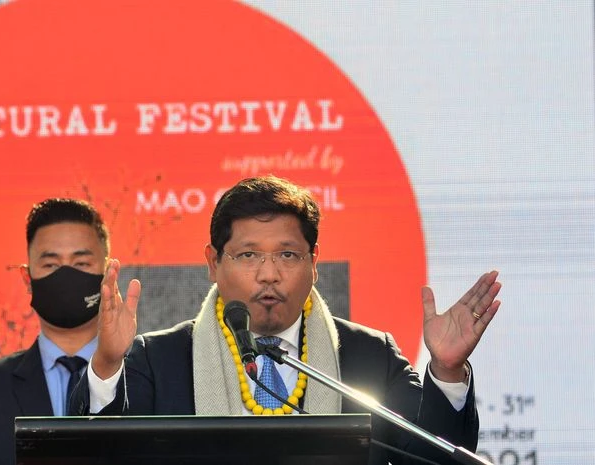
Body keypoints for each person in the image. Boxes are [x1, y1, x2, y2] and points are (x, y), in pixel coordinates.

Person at [72, 175, 501, 465]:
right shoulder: (155, 360)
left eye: (287, 255)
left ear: (314, 264)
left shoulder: (370, 356)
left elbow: (434, 457)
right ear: (212, 262)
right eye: (248, 255)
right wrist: (108, 365)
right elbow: (101, 455)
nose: (269, 274)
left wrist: (446, 371)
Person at [0, 198, 110, 465]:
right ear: (27, 279)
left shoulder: (147, 377)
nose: (65, 276)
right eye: (51, 265)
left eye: (81, 264)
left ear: (108, 273)